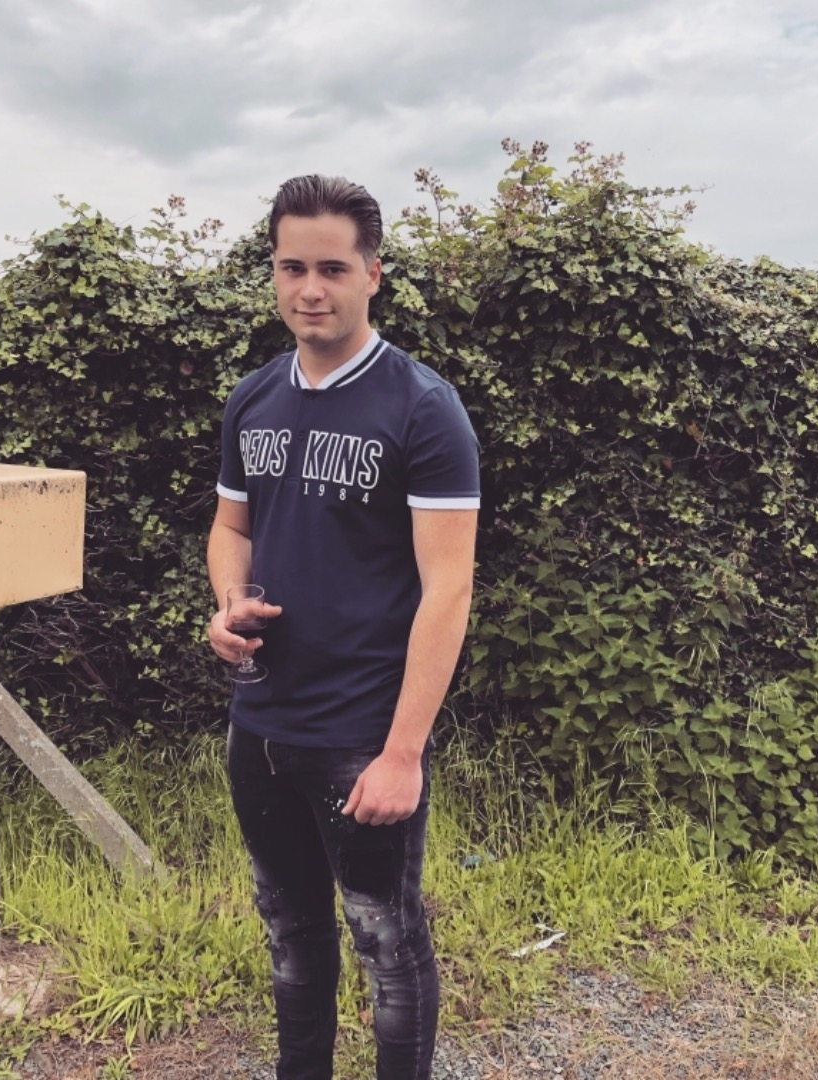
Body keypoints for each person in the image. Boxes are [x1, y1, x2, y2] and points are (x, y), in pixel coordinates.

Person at [206, 174, 480, 1080]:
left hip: (363, 738)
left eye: (331, 268)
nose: (310, 289)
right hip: (260, 728)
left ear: (372, 274)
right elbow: (231, 529)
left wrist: (403, 752)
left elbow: (448, 588)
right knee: (290, 935)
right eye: (292, 268)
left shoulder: (422, 407)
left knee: (388, 944)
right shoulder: (252, 399)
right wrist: (228, 602)